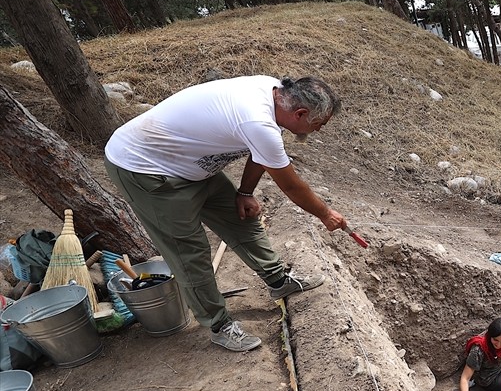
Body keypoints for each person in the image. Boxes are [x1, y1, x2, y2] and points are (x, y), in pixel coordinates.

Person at [104, 75, 349, 353]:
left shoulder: (275, 94)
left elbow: (261, 154)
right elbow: (291, 185)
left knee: (240, 218)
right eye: (319, 124)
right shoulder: (258, 120)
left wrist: (245, 193)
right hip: (146, 167)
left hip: (190, 161)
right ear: (300, 113)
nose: (317, 131)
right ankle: (219, 325)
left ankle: (278, 281)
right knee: (189, 252)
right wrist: (326, 213)